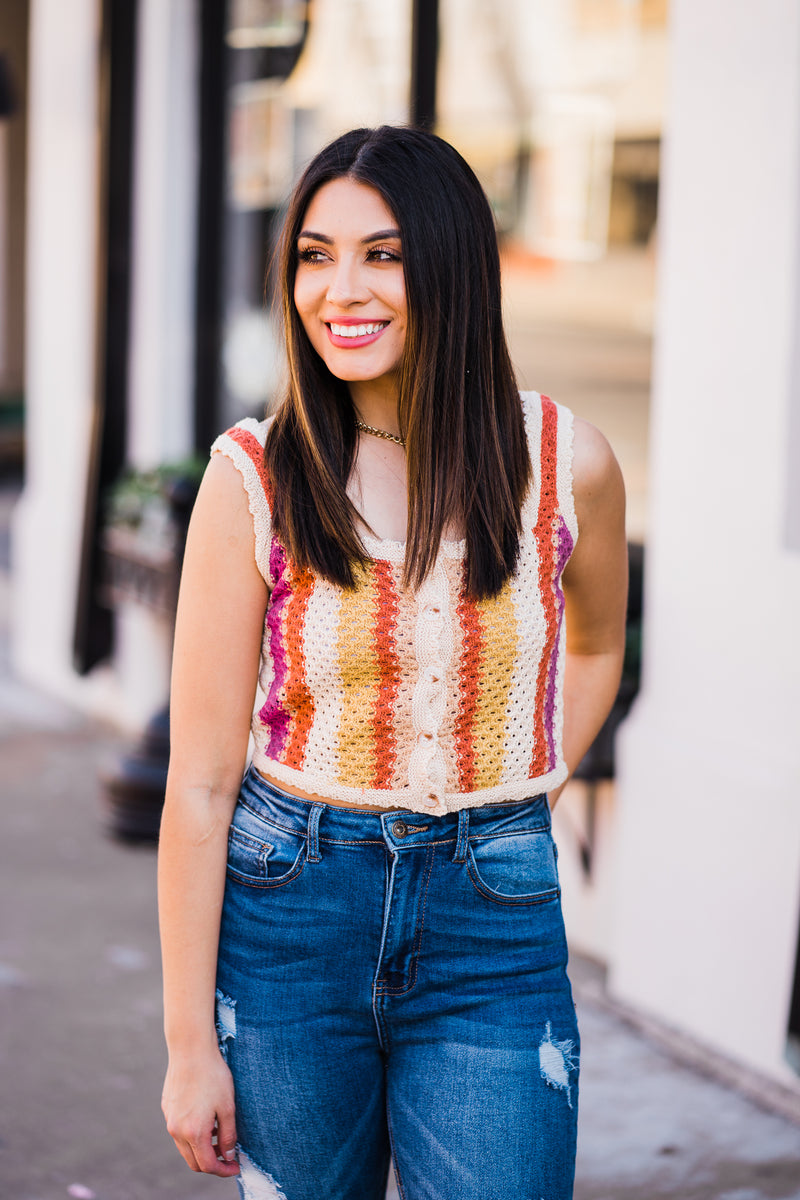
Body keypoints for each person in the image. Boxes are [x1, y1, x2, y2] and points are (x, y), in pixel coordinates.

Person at [158, 124, 627, 1200]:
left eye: (383, 253)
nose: (339, 289)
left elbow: (595, 647)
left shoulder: (566, 465)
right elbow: (197, 782)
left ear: (452, 264)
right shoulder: (255, 479)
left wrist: (525, 779)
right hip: (289, 919)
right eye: (314, 255)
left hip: (492, 928)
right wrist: (190, 1048)